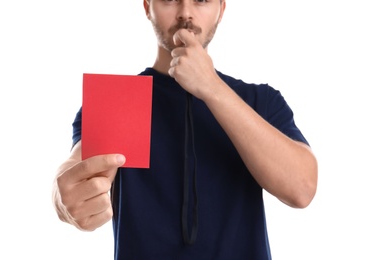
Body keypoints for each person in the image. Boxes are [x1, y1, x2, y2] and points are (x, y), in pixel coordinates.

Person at [52, 0, 318, 259]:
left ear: (221, 9)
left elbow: (302, 189)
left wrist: (211, 87)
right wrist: (61, 198)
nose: (185, 13)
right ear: (147, 7)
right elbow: (75, 170)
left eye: (201, 0)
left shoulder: (260, 100)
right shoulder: (119, 99)